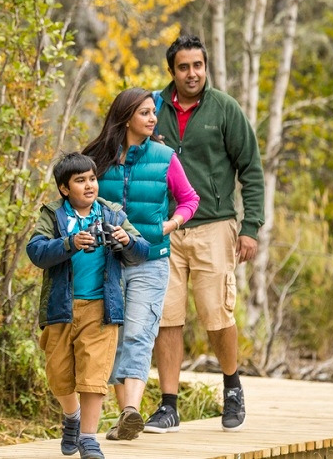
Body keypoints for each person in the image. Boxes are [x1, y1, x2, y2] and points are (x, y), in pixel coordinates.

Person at [144, 34, 265, 434]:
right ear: (172, 71)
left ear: (205, 67)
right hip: (164, 229)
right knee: (167, 317)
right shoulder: (154, 110)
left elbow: (251, 170)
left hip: (214, 225)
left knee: (217, 313)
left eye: (198, 65)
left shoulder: (224, 109)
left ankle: (232, 387)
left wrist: (250, 228)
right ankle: (168, 405)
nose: (192, 73)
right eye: (183, 67)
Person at [82, 88, 200, 442]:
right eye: (145, 113)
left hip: (150, 259)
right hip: (106, 261)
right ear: (126, 116)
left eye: (154, 113)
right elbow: (78, 196)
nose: (153, 119)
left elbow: (190, 199)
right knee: (113, 338)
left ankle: (130, 410)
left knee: (139, 334)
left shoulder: (165, 157)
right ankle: (125, 416)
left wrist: (171, 224)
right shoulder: (96, 157)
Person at [27, 152, 149, 459]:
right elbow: (36, 251)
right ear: (65, 189)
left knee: (94, 376)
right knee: (59, 376)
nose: (89, 185)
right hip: (62, 308)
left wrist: (127, 241)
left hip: (101, 308)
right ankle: (72, 417)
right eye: (80, 181)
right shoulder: (54, 215)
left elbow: (141, 252)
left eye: (92, 178)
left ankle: (88, 438)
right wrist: (69, 243)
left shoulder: (112, 214)